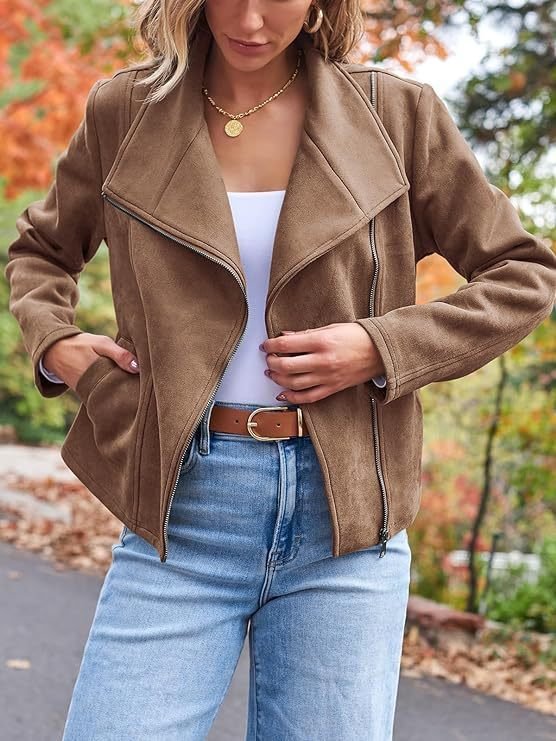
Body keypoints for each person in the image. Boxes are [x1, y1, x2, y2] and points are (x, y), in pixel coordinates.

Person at [4, 1, 556, 739]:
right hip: (181, 509)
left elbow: (523, 275)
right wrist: (56, 344)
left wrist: (380, 346)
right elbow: (40, 253)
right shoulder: (126, 111)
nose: (251, 19)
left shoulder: (396, 114)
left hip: (345, 520)